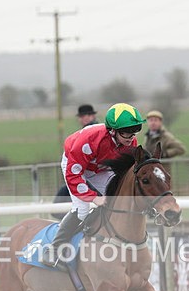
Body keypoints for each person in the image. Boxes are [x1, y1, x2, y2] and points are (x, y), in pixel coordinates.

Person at [40, 103, 146, 269]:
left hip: (100, 168)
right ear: (113, 130)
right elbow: (74, 174)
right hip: (75, 165)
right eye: (126, 131)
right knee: (82, 209)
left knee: (117, 200)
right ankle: (54, 249)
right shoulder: (88, 141)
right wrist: (93, 197)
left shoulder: (130, 143)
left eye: (135, 130)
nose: (131, 136)